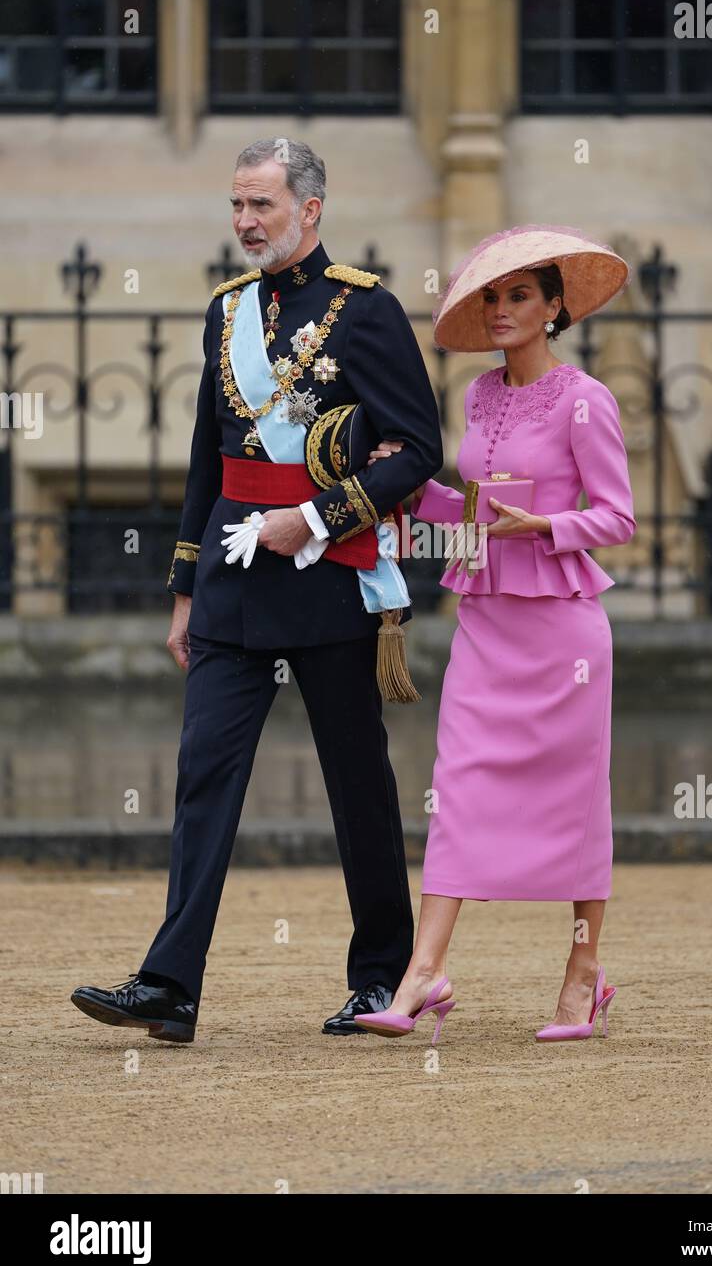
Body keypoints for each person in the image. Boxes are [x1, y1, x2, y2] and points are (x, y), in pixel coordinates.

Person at [70, 137, 443, 1043]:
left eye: (262, 207)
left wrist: (317, 519)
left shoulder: (368, 311)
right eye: (237, 206)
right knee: (202, 778)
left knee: (357, 784)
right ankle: (170, 986)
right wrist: (185, 589)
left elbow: (422, 452)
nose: (245, 224)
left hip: (328, 580)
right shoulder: (224, 312)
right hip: (235, 587)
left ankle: (380, 980)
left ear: (310, 209)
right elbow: (211, 460)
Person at [353, 224, 636, 1044]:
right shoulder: (477, 396)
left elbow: (617, 517)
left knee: (579, 805)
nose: (504, 308)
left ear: (555, 309)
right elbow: (471, 508)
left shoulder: (587, 399)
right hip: (485, 622)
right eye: (494, 296)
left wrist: (540, 525)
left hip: (564, 636)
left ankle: (584, 975)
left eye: (521, 295)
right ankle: (422, 973)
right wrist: (402, 488)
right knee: (461, 787)